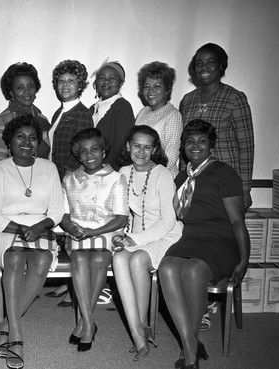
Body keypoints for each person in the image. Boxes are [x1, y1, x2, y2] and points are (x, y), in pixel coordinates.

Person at [159, 119, 250, 369]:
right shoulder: (180, 177)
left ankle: (189, 353)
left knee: (193, 270)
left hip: (221, 240)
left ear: (211, 145)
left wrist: (244, 259)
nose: (195, 145)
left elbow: (237, 221)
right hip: (190, 239)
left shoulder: (224, 173)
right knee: (166, 267)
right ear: (183, 147)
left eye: (202, 140)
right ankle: (191, 342)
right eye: (190, 141)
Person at [0, 114, 63, 369]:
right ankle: (16, 335)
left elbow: (57, 211)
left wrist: (39, 227)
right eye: (21, 137)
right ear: (9, 141)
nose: (27, 142)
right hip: (6, 229)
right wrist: (21, 229)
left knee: (42, 261)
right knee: (15, 258)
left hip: (40, 228)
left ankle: (5, 325)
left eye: (33, 138)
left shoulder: (48, 168)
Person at [112, 125, 183, 361]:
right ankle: (139, 335)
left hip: (167, 234)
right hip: (139, 234)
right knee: (119, 257)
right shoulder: (123, 171)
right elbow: (122, 211)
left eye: (147, 147)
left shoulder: (163, 174)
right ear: (128, 146)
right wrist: (121, 234)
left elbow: (168, 220)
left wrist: (134, 239)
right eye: (136, 145)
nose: (141, 151)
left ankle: (143, 325)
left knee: (137, 261)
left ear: (154, 150)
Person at [60, 128, 128, 352]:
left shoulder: (117, 178)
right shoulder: (69, 179)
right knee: (79, 259)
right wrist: (71, 227)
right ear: (78, 155)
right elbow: (63, 215)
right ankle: (89, 323)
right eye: (83, 151)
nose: (89, 155)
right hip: (78, 232)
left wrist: (93, 232)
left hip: (107, 231)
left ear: (104, 151)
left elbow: (120, 218)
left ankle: (84, 323)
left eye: (95, 149)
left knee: (99, 260)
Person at [180, 43, 254, 209]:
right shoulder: (188, 100)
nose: (204, 67)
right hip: (196, 181)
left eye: (210, 62)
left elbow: (246, 147)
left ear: (221, 66)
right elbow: (185, 144)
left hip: (226, 182)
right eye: (199, 63)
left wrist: (245, 188)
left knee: (225, 230)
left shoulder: (235, 98)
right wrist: (183, 177)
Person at [46, 59, 94, 307]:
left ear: (81, 85)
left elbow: (82, 153)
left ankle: (76, 290)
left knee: (72, 228)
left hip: (71, 180)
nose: (65, 85)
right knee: (64, 229)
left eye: (71, 81)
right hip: (58, 177)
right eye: (61, 80)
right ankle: (68, 283)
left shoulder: (82, 114)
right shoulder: (60, 111)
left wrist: (65, 181)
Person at [0, 62, 50, 168]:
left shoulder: (43, 120)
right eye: (20, 87)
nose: (27, 91)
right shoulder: (2, 121)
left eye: (30, 86)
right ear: (11, 92)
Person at [135, 61, 182, 177]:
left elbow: (171, 157)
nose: (151, 91)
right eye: (147, 86)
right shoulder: (143, 112)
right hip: (140, 174)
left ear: (167, 89)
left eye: (157, 86)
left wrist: (149, 174)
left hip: (161, 178)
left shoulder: (173, 115)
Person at [89, 60, 134, 170]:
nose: (106, 82)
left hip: (109, 174)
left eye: (112, 78)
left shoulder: (123, 107)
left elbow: (122, 149)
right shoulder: (92, 109)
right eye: (102, 78)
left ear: (120, 83)